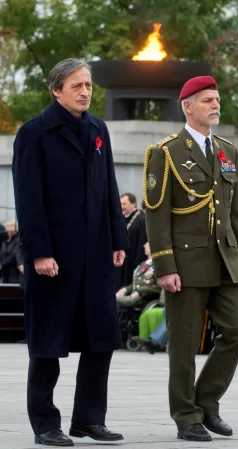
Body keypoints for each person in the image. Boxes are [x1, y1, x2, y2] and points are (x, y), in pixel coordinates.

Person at [13, 58, 128, 446]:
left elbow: (108, 187)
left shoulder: (98, 129)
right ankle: (46, 424)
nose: (85, 92)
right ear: (57, 90)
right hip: (54, 259)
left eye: (89, 85)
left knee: (101, 338)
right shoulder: (34, 133)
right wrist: (39, 253)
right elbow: (28, 200)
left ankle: (89, 419)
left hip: (95, 255)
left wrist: (117, 239)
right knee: (48, 342)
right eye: (77, 85)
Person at [143, 75, 238, 442]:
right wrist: (164, 266)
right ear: (187, 106)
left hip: (224, 260)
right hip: (185, 264)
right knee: (185, 343)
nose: (215, 105)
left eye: (217, 99)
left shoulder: (227, 150)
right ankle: (186, 415)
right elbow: (156, 213)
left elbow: (235, 212)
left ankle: (207, 401)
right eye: (207, 100)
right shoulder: (166, 151)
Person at [115, 192, 148, 290]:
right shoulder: (121, 218)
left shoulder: (141, 220)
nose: (121, 207)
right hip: (121, 261)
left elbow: (142, 244)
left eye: (124, 204)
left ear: (133, 204)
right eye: (120, 204)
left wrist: (137, 264)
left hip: (132, 261)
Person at [115, 242, 160, 307]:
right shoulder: (142, 264)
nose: (145, 247)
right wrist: (125, 290)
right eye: (145, 245)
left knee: (112, 300)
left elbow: (158, 287)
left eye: (148, 245)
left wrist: (139, 291)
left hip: (144, 298)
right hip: (134, 296)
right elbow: (135, 283)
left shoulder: (157, 265)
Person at [0, 219, 23, 284]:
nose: (9, 228)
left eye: (11, 226)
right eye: (8, 226)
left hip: (14, 273)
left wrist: (2, 264)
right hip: (5, 272)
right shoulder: (4, 242)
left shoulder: (18, 239)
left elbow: (14, 255)